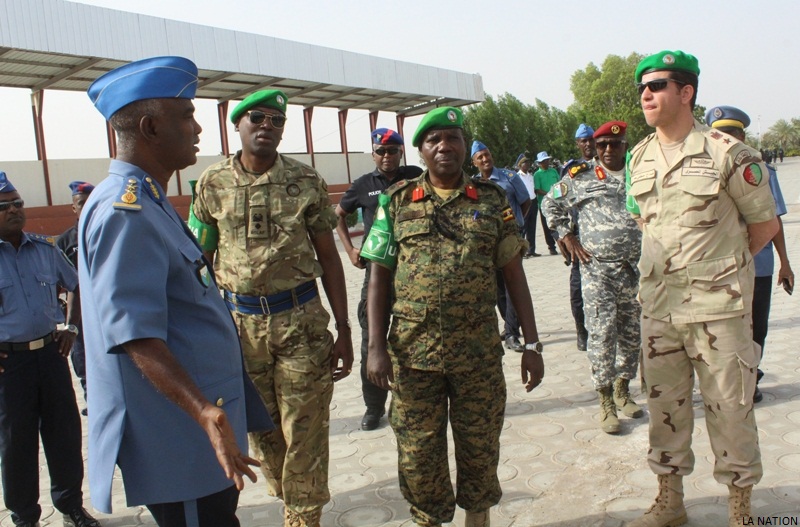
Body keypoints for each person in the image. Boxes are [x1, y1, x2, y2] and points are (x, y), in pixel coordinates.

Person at [80, 56, 273, 527]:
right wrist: (204, 412)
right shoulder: (124, 212)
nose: (197, 127)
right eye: (185, 115)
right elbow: (134, 335)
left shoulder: (148, 199)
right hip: (182, 438)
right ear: (149, 127)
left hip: (199, 432)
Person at [362, 106, 544, 527]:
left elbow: (515, 277)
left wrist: (531, 345)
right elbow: (378, 279)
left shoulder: (493, 201)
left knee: (479, 450)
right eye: (433, 140)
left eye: (453, 138)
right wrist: (374, 347)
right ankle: (429, 519)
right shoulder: (398, 201)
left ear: (465, 146)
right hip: (413, 358)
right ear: (422, 151)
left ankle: (477, 520)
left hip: (477, 357)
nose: (444, 146)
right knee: (418, 455)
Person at [626, 50, 778, 527]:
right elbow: (645, 222)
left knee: (731, 411)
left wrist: (716, 272)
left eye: (657, 86)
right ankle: (670, 502)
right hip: (658, 309)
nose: (646, 94)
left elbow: (763, 225)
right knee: (663, 410)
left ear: (686, 92)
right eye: (642, 88)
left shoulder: (729, 153)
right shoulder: (638, 156)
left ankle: (740, 509)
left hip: (718, 311)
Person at [193, 89, 354, 527]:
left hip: (300, 323)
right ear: (239, 125)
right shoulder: (211, 183)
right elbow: (200, 261)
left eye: (276, 122)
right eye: (258, 118)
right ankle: (291, 496)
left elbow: (330, 259)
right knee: (262, 431)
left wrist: (343, 327)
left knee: (306, 430)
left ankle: (302, 517)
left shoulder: (306, 182)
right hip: (239, 328)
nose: (267, 127)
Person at [0, 172, 99, 527]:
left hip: (50, 354)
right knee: (17, 443)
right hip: (9, 365)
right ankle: (25, 517)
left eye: (18, 204)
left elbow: (75, 285)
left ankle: (71, 505)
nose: (14, 210)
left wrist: (71, 327)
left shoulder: (45, 249)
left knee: (65, 434)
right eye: (4, 206)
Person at [542, 121, 643, 435]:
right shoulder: (580, 178)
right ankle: (605, 403)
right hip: (597, 271)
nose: (609, 150)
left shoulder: (640, 174)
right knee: (601, 334)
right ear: (595, 148)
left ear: (625, 146)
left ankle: (623, 390)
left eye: (616, 144)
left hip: (634, 271)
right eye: (603, 146)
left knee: (631, 334)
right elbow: (550, 203)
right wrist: (566, 236)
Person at [704, 105, 794, 404]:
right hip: (720, 267)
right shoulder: (703, 174)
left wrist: (785, 263)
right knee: (723, 327)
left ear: (742, 136)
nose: (725, 141)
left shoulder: (762, 171)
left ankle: (751, 377)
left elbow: (774, 219)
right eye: (719, 135)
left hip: (759, 265)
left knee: (757, 324)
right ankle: (727, 380)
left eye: (731, 134)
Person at [335, 128, 422, 431]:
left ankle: (414, 400)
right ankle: (374, 408)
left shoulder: (415, 176)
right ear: (373, 154)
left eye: (393, 150)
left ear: (401, 152)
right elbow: (338, 215)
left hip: (414, 273)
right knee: (373, 342)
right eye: (381, 151)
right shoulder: (363, 185)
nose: (387, 156)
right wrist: (349, 250)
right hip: (377, 275)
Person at [471, 140, 531, 352]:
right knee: (497, 289)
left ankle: (512, 334)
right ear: (474, 162)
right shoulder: (473, 184)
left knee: (511, 283)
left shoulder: (509, 177)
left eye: (487, 155)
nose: (485, 159)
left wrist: (517, 224)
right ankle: (509, 324)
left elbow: (526, 201)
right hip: (488, 241)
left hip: (510, 241)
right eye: (480, 157)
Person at [56, 180, 94, 414]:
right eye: (81, 203)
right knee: (82, 363)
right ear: (74, 208)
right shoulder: (65, 241)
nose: (87, 206)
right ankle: (93, 401)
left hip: (107, 312)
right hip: (79, 317)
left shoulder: (109, 231)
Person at [532, 151, 559, 256]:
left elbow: (559, 183)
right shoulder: (537, 174)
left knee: (560, 222)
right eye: (544, 161)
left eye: (547, 160)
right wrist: (549, 194)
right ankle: (551, 247)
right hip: (544, 204)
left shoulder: (553, 171)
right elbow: (537, 189)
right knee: (547, 226)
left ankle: (563, 242)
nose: (546, 162)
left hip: (557, 202)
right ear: (539, 163)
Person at [515, 153, 539, 257]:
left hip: (533, 202)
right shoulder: (517, 177)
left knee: (532, 227)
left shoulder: (531, 176)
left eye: (528, 162)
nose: (527, 164)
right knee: (522, 228)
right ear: (520, 165)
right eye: (525, 162)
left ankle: (531, 250)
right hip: (524, 203)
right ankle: (521, 250)